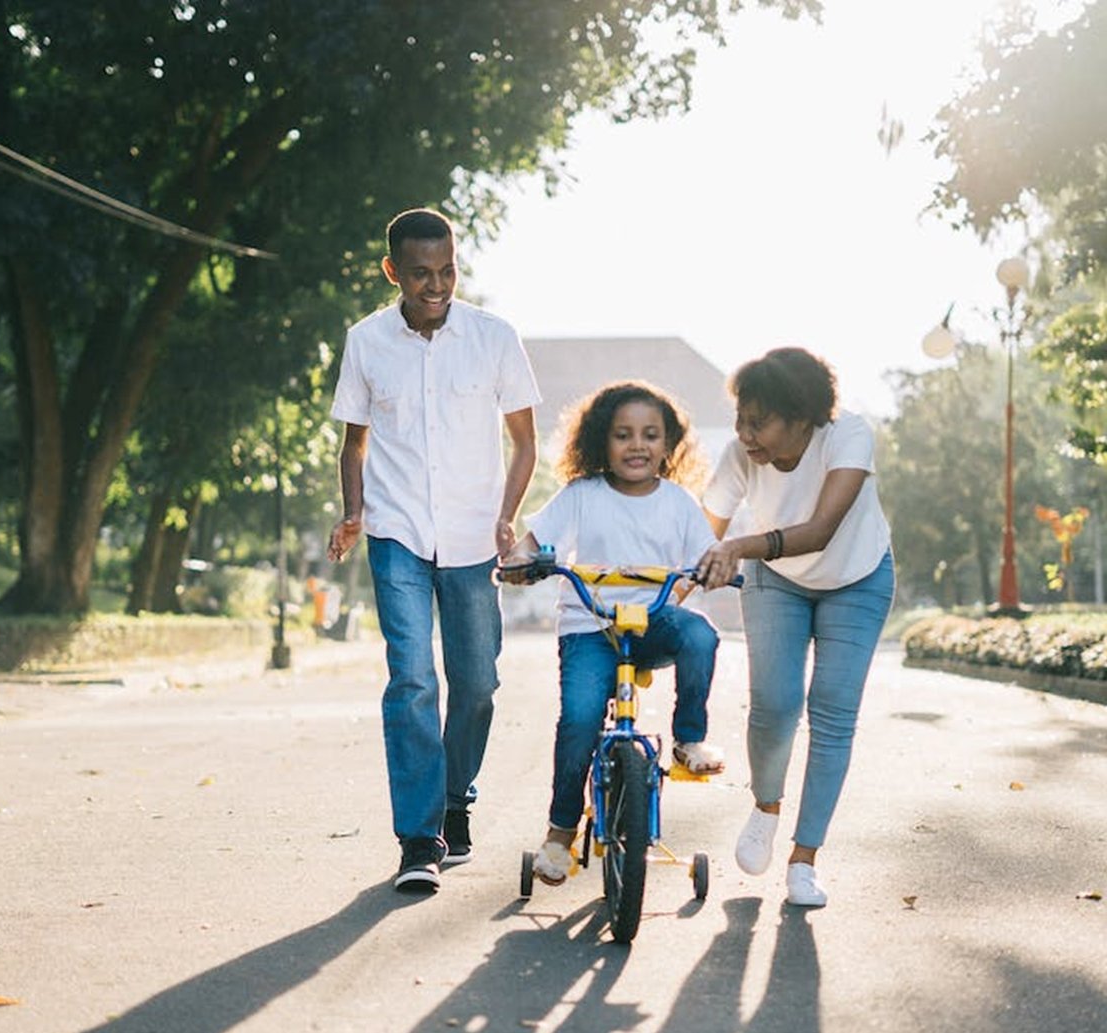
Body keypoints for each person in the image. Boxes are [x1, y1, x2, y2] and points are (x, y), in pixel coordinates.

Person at [326, 207, 540, 893]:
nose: (436, 285)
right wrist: (355, 512)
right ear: (393, 272)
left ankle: (455, 800)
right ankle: (419, 837)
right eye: (421, 274)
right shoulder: (366, 342)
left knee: (477, 683)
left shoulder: (494, 337)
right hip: (397, 534)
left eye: (447, 270)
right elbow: (354, 442)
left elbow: (525, 441)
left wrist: (508, 517)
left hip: (476, 536)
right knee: (413, 678)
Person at [502, 381, 725, 886]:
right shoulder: (582, 495)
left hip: (652, 623)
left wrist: (713, 569)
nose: (637, 445)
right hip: (590, 627)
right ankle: (560, 833)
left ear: (669, 445)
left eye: (650, 435)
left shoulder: (679, 503)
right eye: (623, 435)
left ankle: (689, 739)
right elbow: (534, 542)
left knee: (701, 636)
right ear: (602, 441)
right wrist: (521, 560)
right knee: (580, 719)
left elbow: (705, 556)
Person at [695, 347, 894, 908]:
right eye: (740, 418)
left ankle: (804, 860)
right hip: (776, 581)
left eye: (759, 422)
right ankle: (765, 807)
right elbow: (702, 534)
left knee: (832, 711)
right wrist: (672, 587)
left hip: (856, 577)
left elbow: (822, 529)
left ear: (802, 416)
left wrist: (739, 546)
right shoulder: (741, 455)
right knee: (775, 703)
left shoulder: (847, 436)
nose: (745, 434)